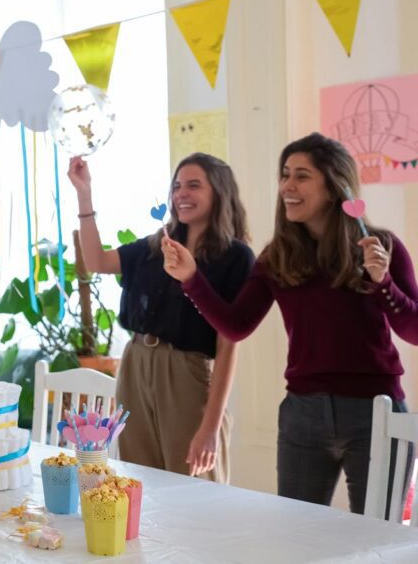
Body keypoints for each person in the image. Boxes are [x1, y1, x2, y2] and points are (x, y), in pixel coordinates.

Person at [162, 133, 418, 513]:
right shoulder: (277, 257)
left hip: (377, 414)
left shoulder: (382, 246)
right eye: (284, 175)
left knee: (378, 536)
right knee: (298, 534)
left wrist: (383, 284)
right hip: (303, 414)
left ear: (334, 187)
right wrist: (192, 279)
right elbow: (236, 326)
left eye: (301, 176)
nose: (286, 186)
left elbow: (413, 330)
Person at [69, 152, 254, 482]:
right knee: (142, 483)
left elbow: (228, 347)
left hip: (187, 372)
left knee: (196, 489)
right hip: (135, 365)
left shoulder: (235, 257)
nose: (182, 193)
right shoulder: (156, 245)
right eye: (177, 186)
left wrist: (210, 428)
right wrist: (85, 194)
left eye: (194, 185)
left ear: (219, 192)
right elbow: (96, 260)